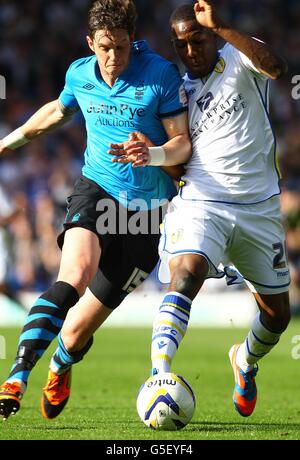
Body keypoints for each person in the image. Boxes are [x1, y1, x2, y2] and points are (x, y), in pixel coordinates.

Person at [0, 0, 191, 420]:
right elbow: (54, 112)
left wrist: (153, 152)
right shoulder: (79, 73)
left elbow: (182, 144)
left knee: (75, 330)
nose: (112, 57)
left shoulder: (159, 74)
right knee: (74, 274)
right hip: (97, 189)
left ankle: (60, 364)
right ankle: (17, 375)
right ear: (91, 43)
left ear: (132, 43)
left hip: (146, 212)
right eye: (104, 47)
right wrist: (5, 144)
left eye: (121, 47)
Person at [117, 0, 291, 418]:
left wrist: (224, 25)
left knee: (278, 317)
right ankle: (160, 373)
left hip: (259, 209)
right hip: (201, 202)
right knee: (186, 272)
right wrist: (152, 153)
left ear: (212, 35)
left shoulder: (240, 56)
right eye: (182, 44)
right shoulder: (175, 90)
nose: (191, 51)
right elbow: (178, 158)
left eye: (198, 40)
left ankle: (245, 361)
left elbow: (277, 68)